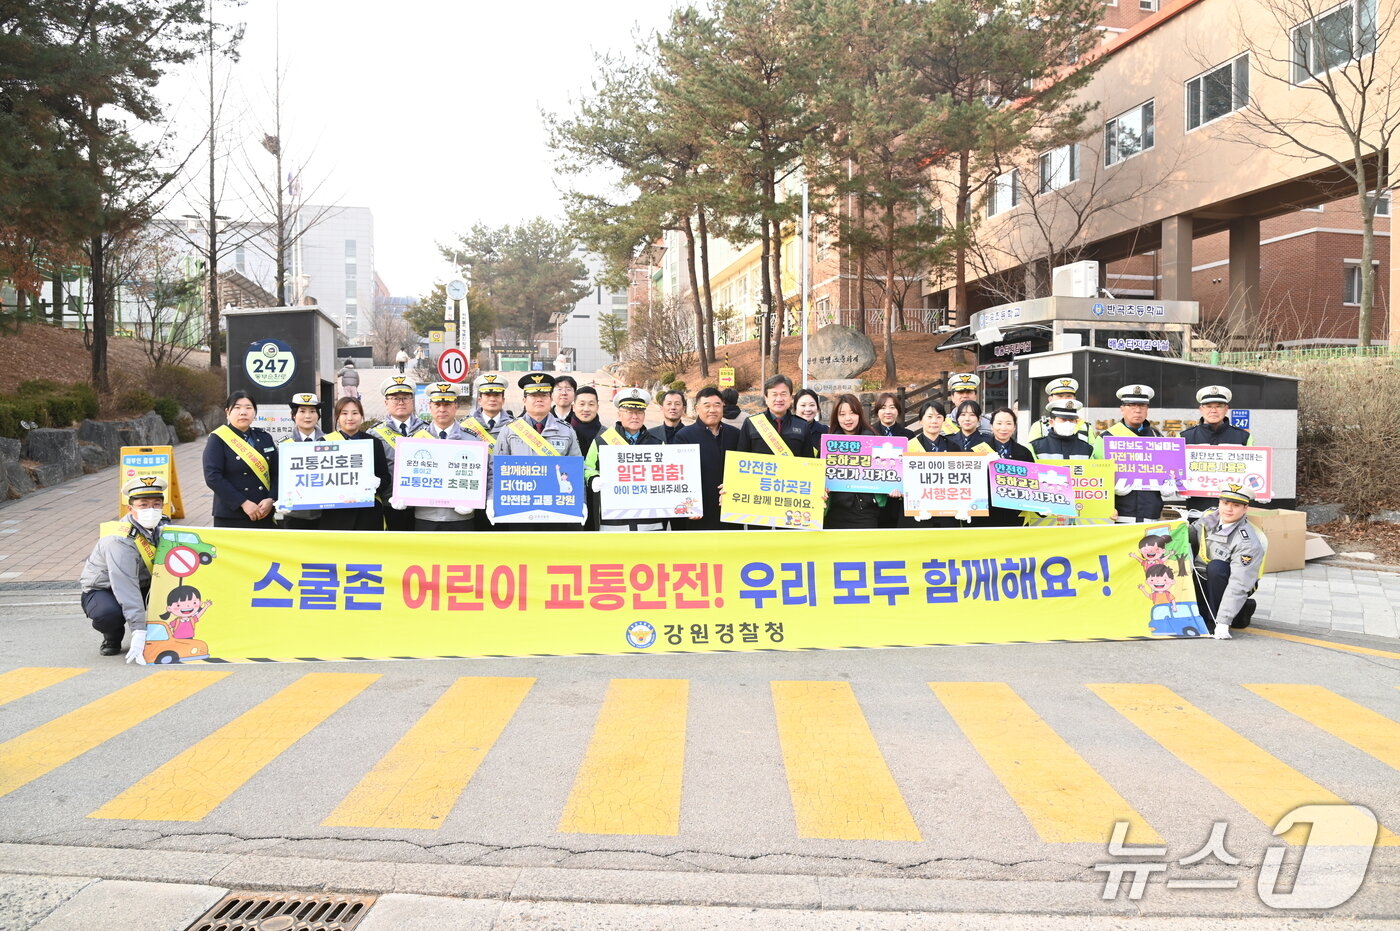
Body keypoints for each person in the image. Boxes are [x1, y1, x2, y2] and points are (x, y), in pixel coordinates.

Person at [81, 476, 170, 660]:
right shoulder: (119, 539)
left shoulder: (164, 525)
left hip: (144, 583)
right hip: (106, 589)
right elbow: (125, 585)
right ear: (130, 509)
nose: (150, 510)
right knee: (108, 615)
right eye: (143, 505)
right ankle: (112, 637)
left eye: (156, 504)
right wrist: (138, 630)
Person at [1189, 483, 1267, 640]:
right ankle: (1238, 612)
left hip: (1228, 581)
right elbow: (1189, 534)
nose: (1228, 509)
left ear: (1245, 509)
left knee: (1216, 567)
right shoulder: (1208, 519)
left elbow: (1238, 583)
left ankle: (1218, 618)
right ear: (1219, 503)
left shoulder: (1247, 542)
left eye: (1236, 505)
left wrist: (1223, 622)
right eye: (1225, 503)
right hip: (1201, 577)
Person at [394, 383, 474, 531]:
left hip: (461, 518)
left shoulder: (472, 441)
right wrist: (401, 495)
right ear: (430, 406)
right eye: (437, 404)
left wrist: (475, 501)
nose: (442, 409)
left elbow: (486, 476)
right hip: (426, 518)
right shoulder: (415, 441)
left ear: (455, 406)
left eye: (447, 404)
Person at [585, 387, 666, 532]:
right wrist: (593, 479)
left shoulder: (657, 444)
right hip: (614, 522)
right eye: (629, 412)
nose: (635, 416)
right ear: (619, 414)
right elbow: (588, 468)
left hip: (650, 522)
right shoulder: (601, 442)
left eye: (639, 412)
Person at [204, 390, 278, 528]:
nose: (243, 412)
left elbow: (277, 473)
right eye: (237, 408)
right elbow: (212, 477)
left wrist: (271, 499)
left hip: (263, 512)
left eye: (248, 408)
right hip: (231, 515)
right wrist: (243, 503)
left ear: (254, 413)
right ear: (227, 412)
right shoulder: (218, 438)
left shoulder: (264, 437)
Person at [674, 386, 743, 530]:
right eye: (707, 406)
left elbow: (743, 469)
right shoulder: (684, 436)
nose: (712, 410)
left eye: (717, 405)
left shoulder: (735, 434)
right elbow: (680, 476)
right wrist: (689, 505)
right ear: (697, 408)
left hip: (730, 509)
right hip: (699, 511)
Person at [320, 396, 390, 532]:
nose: (350, 418)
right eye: (344, 413)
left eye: (355, 413)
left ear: (361, 416)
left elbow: (385, 477)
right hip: (335, 513)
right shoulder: (324, 443)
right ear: (337, 417)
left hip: (367, 513)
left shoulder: (374, 442)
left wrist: (376, 484)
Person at [1180, 385, 1253, 512]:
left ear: (1226, 409)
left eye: (1219, 406)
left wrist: (1261, 488)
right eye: (1208, 406)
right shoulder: (1184, 437)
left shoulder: (1243, 437)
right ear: (1201, 409)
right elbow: (1176, 470)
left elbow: (1252, 469)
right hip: (1197, 508)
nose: (1213, 410)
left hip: (1232, 509)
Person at [1104, 384, 1170, 522]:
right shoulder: (1107, 437)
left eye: (1142, 406)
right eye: (1132, 405)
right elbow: (1096, 474)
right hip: (1119, 515)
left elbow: (1169, 470)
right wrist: (1110, 490)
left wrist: (1171, 482)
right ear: (1122, 409)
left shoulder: (1158, 437)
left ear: (1147, 409)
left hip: (1151, 514)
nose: (1137, 410)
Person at [369, 376, 427, 532]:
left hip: (423, 506)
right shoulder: (374, 434)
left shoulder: (429, 430)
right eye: (394, 398)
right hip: (389, 504)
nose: (400, 402)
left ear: (412, 400)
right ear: (386, 402)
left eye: (405, 397)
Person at [462, 373, 516, 531]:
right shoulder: (464, 426)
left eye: (497, 395)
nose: (492, 399)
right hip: (472, 497)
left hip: (507, 496)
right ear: (479, 399)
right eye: (487, 394)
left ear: (503, 399)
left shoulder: (517, 427)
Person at [823, 394, 883, 530]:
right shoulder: (828, 444)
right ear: (836, 417)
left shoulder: (875, 440)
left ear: (859, 414)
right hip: (834, 512)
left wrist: (894, 487)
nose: (848, 418)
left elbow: (888, 473)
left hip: (866, 512)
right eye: (842, 414)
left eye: (852, 413)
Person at [276, 392, 327, 530]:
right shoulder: (283, 445)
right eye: (302, 411)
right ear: (293, 415)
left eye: (312, 411)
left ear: (318, 416)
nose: (307, 416)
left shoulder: (332, 442)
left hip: (326, 512)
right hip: (295, 515)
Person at [738, 375, 817, 457]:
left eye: (783, 394)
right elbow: (740, 459)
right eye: (774, 394)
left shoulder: (802, 425)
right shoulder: (751, 423)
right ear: (766, 398)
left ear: (790, 397)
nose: (779, 399)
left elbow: (808, 461)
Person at [985, 407, 1036, 527]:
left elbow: (1033, 483)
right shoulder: (979, 451)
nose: (1003, 428)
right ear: (991, 426)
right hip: (985, 516)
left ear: (1014, 427)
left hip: (1015, 515)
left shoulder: (1024, 452)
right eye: (999, 423)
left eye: (1008, 423)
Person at [1025, 377, 1095, 443]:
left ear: (1074, 399)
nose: (1064, 399)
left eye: (1069, 396)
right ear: (1050, 399)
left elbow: (1094, 453)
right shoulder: (1039, 426)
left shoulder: (1086, 427)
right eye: (1060, 396)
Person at [572, 386, 603, 456]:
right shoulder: (563, 433)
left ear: (597, 407)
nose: (586, 409)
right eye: (582, 404)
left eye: (591, 404)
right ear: (573, 407)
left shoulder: (607, 435)